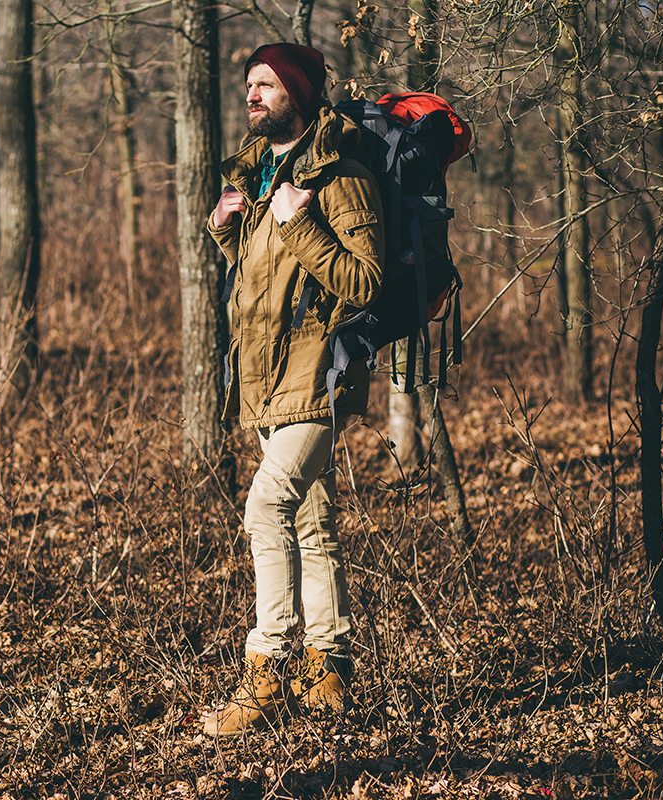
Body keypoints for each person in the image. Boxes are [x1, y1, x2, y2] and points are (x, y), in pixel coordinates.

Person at [202, 43, 385, 737]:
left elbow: (363, 283)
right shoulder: (262, 174)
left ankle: (266, 670)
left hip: (319, 374)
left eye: (267, 85)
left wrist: (299, 220)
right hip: (266, 380)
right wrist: (227, 236)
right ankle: (328, 671)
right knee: (309, 521)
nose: (252, 95)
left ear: (299, 95)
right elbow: (264, 281)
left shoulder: (340, 176)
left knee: (264, 506)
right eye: (248, 84)